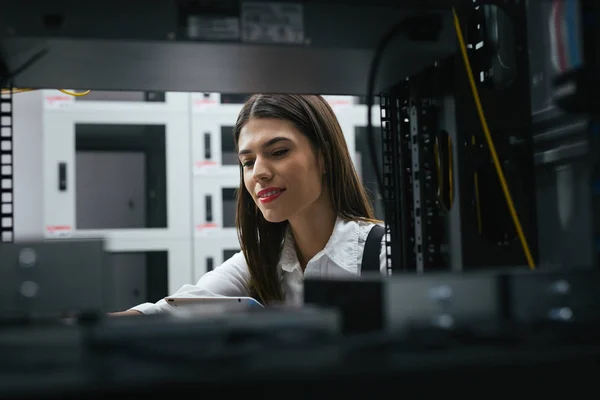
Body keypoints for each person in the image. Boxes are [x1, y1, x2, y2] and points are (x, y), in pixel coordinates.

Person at [113, 94, 387, 316]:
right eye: (248, 162)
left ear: (324, 157)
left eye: (278, 152)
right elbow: (172, 311)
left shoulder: (384, 255)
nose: (258, 173)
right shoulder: (260, 261)